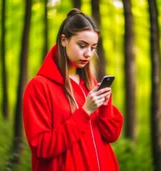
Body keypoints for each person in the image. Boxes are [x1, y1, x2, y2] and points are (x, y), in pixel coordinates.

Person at [22, 8, 123, 171]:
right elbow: (42, 147)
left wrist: (105, 106)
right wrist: (84, 113)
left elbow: (111, 135)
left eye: (93, 47)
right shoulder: (39, 87)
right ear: (64, 40)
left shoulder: (90, 84)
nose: (88, 53)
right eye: (82, 45)